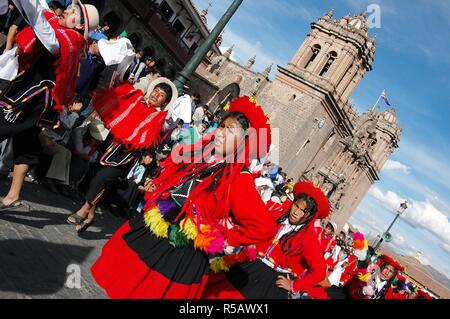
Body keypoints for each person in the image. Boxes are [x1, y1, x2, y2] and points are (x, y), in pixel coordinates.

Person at [91, 96, 277, 299]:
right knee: (122, 279)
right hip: (161, 225)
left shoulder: (239, 179)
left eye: (230, 131)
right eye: (222, 127)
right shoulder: (204, 155)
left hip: (184, 249)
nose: (222, 133)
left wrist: (223, 237)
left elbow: (265, 228)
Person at [0, 0, 99, 210]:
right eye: (70, 8)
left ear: (80, 26)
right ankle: (13, 196)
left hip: (35, 98)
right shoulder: (60, 27)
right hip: (29, 89)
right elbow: (41, 9)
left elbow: (40, 20)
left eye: (74, 13)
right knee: (25, 143)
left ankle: (13, 196)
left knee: (6, 128)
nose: (67, 11)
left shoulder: (69, 39)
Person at [66, 78, 178, 233]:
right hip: (111, 146)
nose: (156, 95)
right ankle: (91, 216)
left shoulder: (161, 118)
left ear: (165, 102)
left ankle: (84, 210)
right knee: (98, 180)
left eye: (161, 95)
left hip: (127, 156)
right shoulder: (137, 102)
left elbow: (167, 126)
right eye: (156, 91)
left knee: (102, 178)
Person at [203, 181, 330, 299]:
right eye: (296, 206)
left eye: (303, 211)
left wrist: (294, 286)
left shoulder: (309, 239)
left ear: (309, 216)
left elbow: (319, 271)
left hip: (272, 283)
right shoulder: (276, 217)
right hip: (250, 266)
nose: (296, 212)